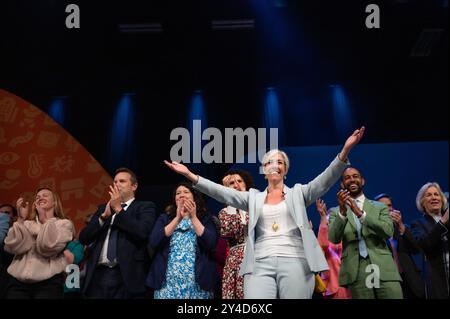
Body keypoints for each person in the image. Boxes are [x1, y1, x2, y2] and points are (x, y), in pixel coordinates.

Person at [164, 127, 365, 299]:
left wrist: (345, 150)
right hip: (259, 263)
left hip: (294, 260)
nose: (274, 165)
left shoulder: (299, 193)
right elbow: (221, 192)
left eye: (279, 162)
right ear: (264, 169)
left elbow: (325, 179)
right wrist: (190, 175)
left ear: (285, 170)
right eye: (269, 162)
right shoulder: (253, 198)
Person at [79, 167, 156, 298]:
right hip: (98, 275)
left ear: (134, 186)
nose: (117, 184)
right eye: (115, 182)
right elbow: (84, 238)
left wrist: (119, 210)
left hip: (126, 275)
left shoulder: (144, 207)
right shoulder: (103, 209)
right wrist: (103, 217)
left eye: (122, 181)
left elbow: (142, 232)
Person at [328, 167, 403, 299]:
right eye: (347, 177)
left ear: (362, 181)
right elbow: (333, 238)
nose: (352, 179)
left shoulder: (380, 207)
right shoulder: (336, 212)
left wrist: (360, 213)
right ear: (342, 184)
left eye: (355, 176)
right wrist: (342, 211)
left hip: (383, 266)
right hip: (356, 270)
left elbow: (388, 231)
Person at [146, 182, 218, 299]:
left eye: (186, 192)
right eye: (178, 193)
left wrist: (193, 217)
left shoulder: (205, 218)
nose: (181, 195)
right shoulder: (165, 218)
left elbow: (211, 243)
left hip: (197, 284)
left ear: (194, 196)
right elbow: (154, 241)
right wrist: (177, 218)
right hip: (167, 284)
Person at [3, 188, 75, 298]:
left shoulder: (63, 224)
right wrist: (21, 220)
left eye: (45, 195)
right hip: (17, 283)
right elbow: (11, 248)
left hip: (48, 284)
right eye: (37, 197)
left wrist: (45, 221)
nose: (40, 197)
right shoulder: (26, 224)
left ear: (54, 202)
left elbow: (48, 248)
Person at [374, 193, 425, 299]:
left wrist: (401, 226)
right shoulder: (373, 232)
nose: (387, 209)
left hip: (410, 279)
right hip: (388, 281)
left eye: (389, 205)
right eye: (382, 206)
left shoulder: (403, 228)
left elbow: (416, 249)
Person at [219, 169, 254, 299]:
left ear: (246, 184)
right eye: (231, 183)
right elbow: (231, 230)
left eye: (239, 181)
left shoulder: (257, 206)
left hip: (258, 257)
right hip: (236, 262)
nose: (236, 185)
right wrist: (231, 198)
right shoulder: (225, 211)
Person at [411, 182, 449, 299]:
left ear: (442, 200)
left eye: (436, 194)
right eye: (429, 195)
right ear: (422, 202)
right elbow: (425, 244)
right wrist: (443, 222)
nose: (434, 197)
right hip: (439, 278)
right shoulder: (418, 224)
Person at [315, 198, 351, 299]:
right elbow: (322, 245)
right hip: (334, 287)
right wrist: (323, 216)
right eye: (331, 220)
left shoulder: (348, 237)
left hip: (352, 286)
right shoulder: (326, 240)